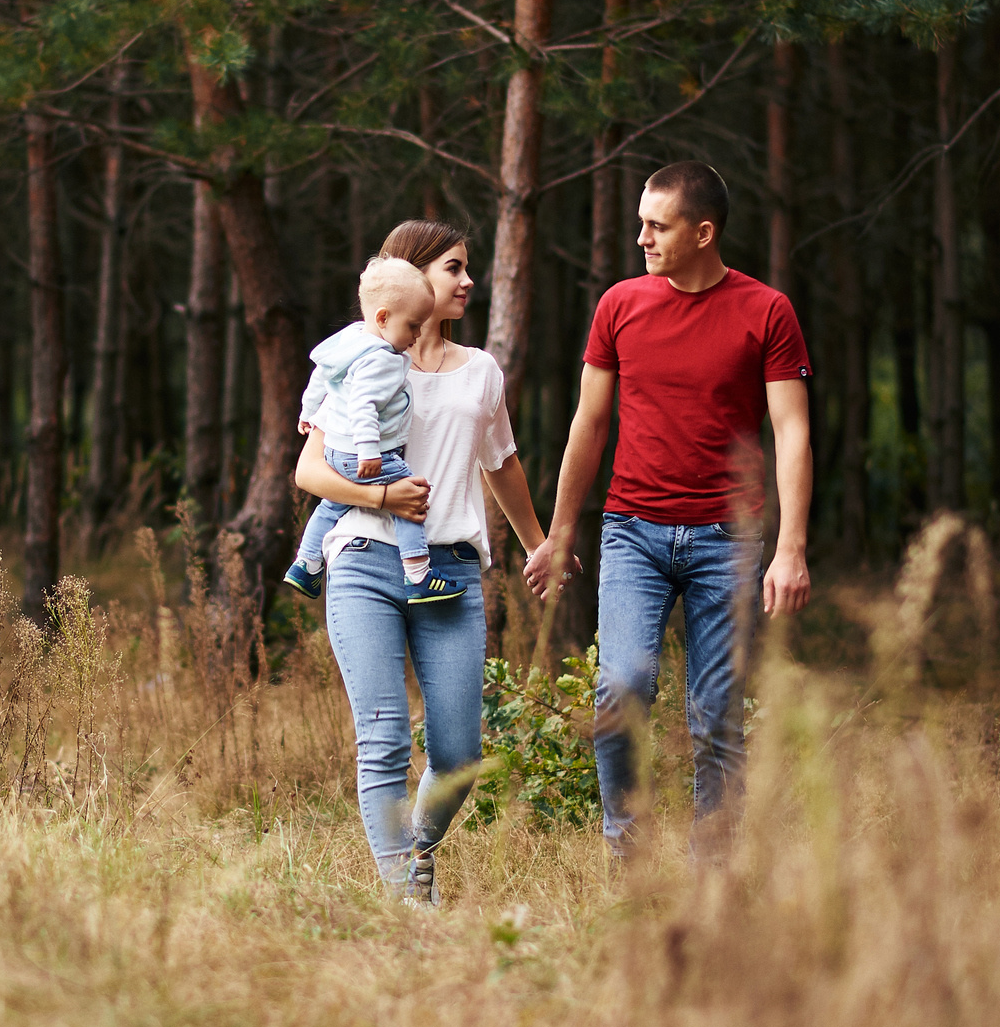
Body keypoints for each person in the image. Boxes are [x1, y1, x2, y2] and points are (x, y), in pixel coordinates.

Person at [524, 162, 813, 860]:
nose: (641, 238)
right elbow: (589, 425)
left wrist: (790, 548)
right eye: (640, 223)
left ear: (703, 231)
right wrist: (560, 532)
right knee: (620, 687)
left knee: (716, 716)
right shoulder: (619, 306)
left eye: (658, 225)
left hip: (729, 539)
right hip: (633, 534)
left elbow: (792, 430)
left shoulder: (766, 310)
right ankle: (629, 854)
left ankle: (713, 864)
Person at [296, 220, 550, 906]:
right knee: (380, 741)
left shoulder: (482, 372)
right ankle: (407, 900)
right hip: (364, 562)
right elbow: (310, 470)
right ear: (412, 275)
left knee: (460, 756)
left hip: (452, 574)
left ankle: (415, 849)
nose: (469, 281)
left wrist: (538, 543)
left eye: (469, 268)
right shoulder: (356, 359)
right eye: (454, 267)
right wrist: (381, 493)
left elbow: (502, 464)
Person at [281, 257, 459, 605]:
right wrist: (369, 451)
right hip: (362, 451)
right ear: (383, 318)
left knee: (334, 501)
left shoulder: (350, 338)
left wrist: (308, 411)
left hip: (334, 449)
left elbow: (322, 371)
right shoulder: (383, 359)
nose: (417, 334)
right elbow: (364, 405)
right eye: (413, 325)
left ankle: (306, 563)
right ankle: (419, 573)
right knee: (409, 495)